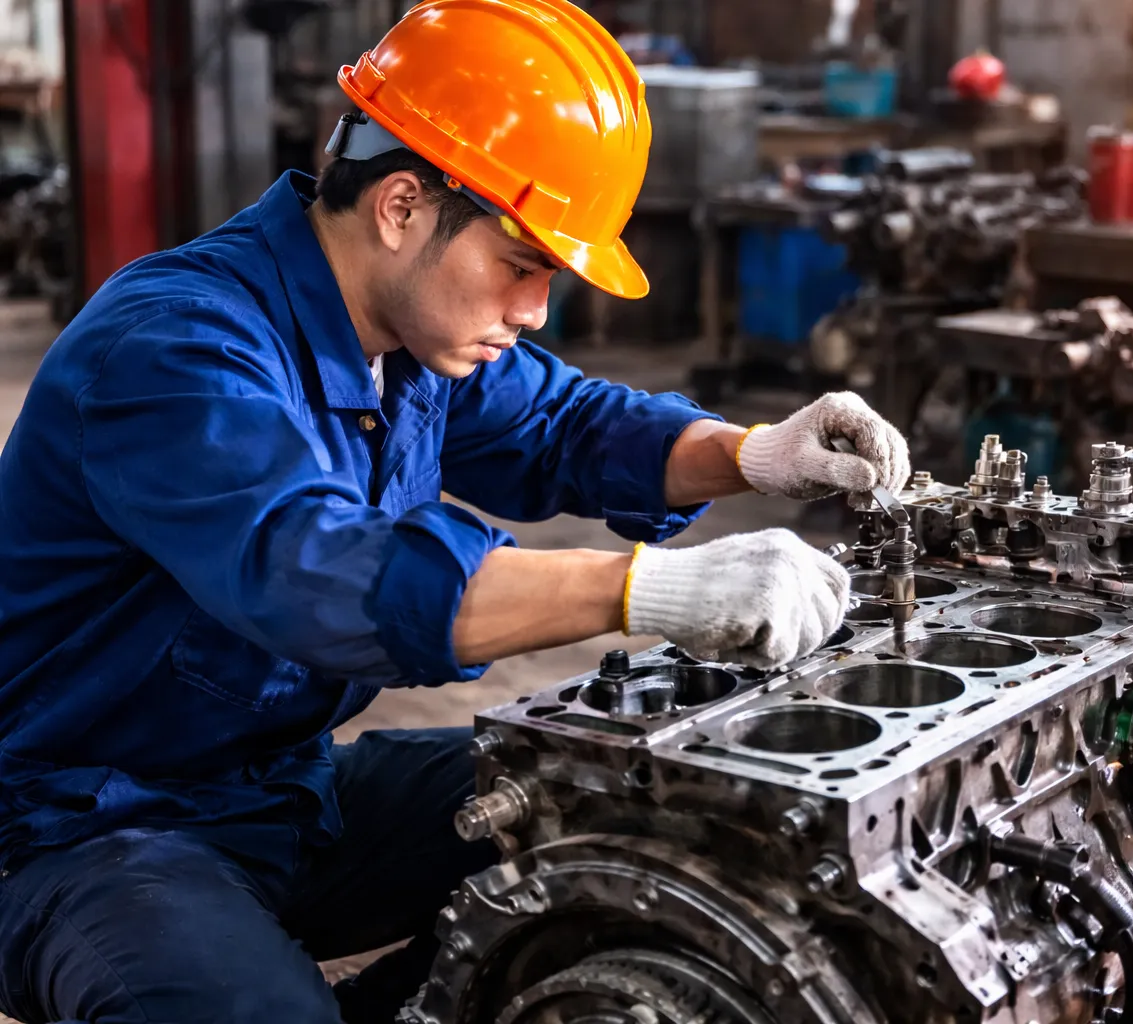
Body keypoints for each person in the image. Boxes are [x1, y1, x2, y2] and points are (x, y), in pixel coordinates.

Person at [0, 3, 908, 1022]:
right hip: (85, 828)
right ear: (401, 206)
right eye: (523, 267)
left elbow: (567, 425)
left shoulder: (402, 333)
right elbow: (326, 574)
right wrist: (649, 590)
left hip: (283, 793)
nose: (533, 312)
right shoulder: (173, 352)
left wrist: (755, 453)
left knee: (659, 811)